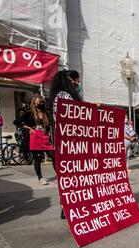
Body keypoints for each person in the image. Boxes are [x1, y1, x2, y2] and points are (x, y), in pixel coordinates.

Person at [48, 70, 83, 220]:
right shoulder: (65, 96)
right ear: (70, 80)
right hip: (70, 145)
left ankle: (66, 207)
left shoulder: (56, 96)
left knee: (67, 178)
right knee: (73, 178)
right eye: (77, 81)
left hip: (62, 144)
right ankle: (71, 207)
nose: (78, 84)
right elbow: (73, 117)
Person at [22, 96, 56, 185]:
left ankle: (59, 174)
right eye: (39, 103)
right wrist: (29, 128)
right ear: (34, 103)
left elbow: (50, 125)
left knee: (53, 156)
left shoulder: (46, 113)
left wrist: (49, 133)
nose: (41, 104)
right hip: (35, 137)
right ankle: (40, 178)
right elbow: (17, 122)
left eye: (42, 102)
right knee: (38, 158)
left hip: (44, 137)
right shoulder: (30, 113)